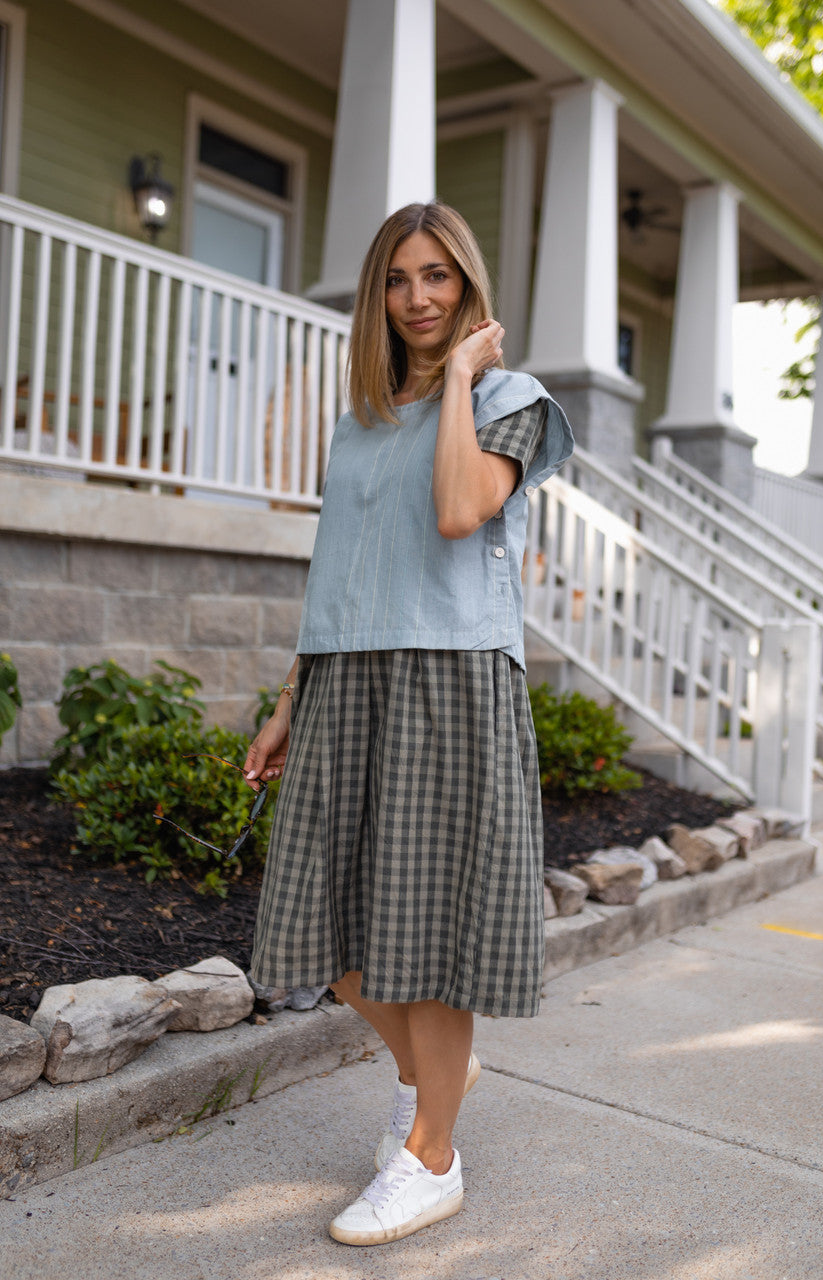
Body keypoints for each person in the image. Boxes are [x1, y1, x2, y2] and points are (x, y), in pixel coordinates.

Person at [243, 201, 573, 1247]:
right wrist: (292, 697)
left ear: (466, 282)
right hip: (346, 676)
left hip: (449, 677)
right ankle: (434, 1075)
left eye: (436, 275)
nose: (418, 297)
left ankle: (431, 1155)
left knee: (425, 941)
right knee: (327, 929)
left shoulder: (515, 399)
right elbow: (341, 564)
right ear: (376, 296)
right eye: (397, 278)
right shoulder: (360, 419)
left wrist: (464, 382)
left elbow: (457, 509)